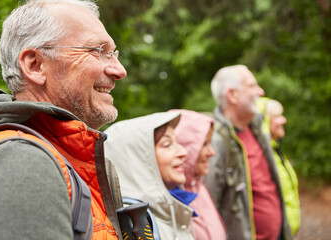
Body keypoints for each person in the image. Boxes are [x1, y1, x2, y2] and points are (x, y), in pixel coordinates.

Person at [0, 0, 127, 239]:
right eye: (98, 51)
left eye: (113, 54)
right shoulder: (19, 162)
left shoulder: (62, 160)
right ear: (35, 65)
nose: (119, 70)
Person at [204, 65, 293, 240]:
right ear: (232, 95)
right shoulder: (215, 141)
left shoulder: (257, 129)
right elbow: (210, 208)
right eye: (252, 86)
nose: (260, 91)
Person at [104, 111, 196, 240]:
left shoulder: (169, 212)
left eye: (177, 142)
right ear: (136, 159)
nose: (183, 152)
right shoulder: (131, 222)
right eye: (167, 145)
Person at [170, 109, 227, 240]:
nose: (212, 152)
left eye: (210, 143)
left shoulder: (199, 186)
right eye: (204, 144)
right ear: (185, 146)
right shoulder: (173, 196)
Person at [257, 97, 301, 236]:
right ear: (263, 122)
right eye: (277, 116)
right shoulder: (260, 156)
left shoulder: (276, 151)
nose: (284, 120)